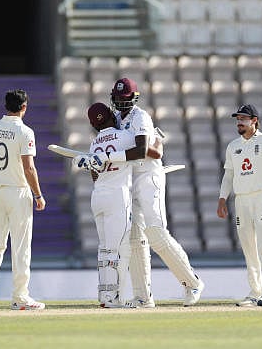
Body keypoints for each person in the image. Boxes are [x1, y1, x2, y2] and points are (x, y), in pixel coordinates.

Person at [92, 78, 204, 308]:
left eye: (125, 99)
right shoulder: (116, 122)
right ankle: (143, 297)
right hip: (129, 180)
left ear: (133, 98)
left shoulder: (140, 116)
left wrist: (110, 156)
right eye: (118, 99)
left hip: (148, 178)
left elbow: (144, 150)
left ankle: (192, 282)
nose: (122, 103)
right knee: (134, 239)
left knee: (155, 232)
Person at [0, 89, 46, 311]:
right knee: (21, 247)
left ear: (6, 106)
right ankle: (20, 297)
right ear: (24, 107)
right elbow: (28, 167)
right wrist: (39, 195)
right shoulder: (25, 131)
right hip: (18, 192)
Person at [217, 104, 262, 307]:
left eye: (244, 119)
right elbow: (229, 174)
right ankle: (255, 291)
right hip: (242, 200)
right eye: (238, 118)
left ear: (254, 121)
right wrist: (222, 198)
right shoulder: (233, 146)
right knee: (248, 247)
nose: (239, 122)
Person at [73, 103, 138, 307]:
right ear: (112, 115)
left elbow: (95, 174)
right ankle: (115, 298)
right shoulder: (125, 137)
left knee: (104, 249)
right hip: (118, 195)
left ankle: (104, 296)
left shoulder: (94, 144)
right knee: (117, 249)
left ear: (93, 124)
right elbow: (143, 152)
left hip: (98, 195)